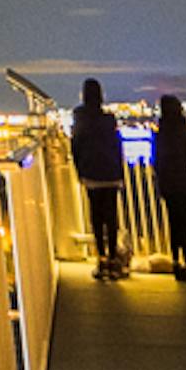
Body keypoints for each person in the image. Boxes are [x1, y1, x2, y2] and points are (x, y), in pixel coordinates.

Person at [69, 78, 129, 278]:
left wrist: (80, 170)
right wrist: (119, 171)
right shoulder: (108, 120)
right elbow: (117, 146)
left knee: (96, 216)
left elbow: (76, 147)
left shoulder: (80, 120)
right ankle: (113, 258)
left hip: (91, 172)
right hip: (110, 172)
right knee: (111, 216)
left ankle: (101, 258)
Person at [148, 95, 186, 280]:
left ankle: (176, 261)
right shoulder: (182, 131)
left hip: (168, 183)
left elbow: (156, 161)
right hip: (184, 182)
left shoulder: (161, 133)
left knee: (173, 222)